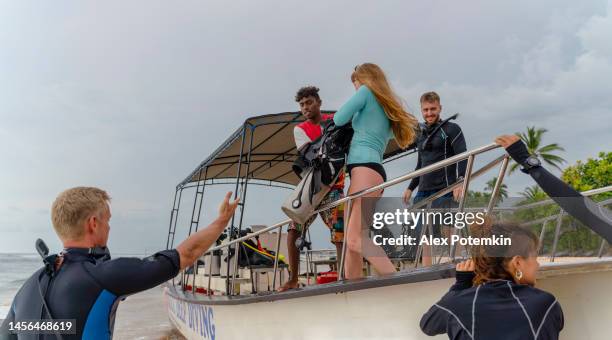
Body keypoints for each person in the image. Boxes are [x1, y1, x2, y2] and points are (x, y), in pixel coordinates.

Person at [1, 187, 239, 340]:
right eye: (108, 220)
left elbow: (20, 332)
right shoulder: (103, 276)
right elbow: (186, 254)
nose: (109, 227)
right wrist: (221, 221)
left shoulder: (29, 288)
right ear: (93, 223)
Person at [333, 63, 418, 279]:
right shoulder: (385, 105)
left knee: (354, 240)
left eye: (356, 81)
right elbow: (386, 135)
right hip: (374, 171)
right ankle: (352, 294)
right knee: (354, 241)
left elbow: (338, 118)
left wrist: (357, 111)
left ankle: (398, 281)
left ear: (366, 79)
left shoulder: (366, 92)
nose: (355, 87)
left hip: (363, 170)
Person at [420, 223, 564, 339]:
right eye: (535, 256)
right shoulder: (546, 304)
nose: (538, 264)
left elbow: (428, 325)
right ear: (518, 263)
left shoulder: (457, 304)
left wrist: (461, 285)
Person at [278, 86, 346, 291]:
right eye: (302, 105)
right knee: (293, 229)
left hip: (335, 186)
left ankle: (344, 276)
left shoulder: (335, 120)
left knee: (340, 231)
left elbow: (339, 149)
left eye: (309, 102)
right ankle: (293, 278)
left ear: (319, 102)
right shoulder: (299, 129)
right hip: (312, 188)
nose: (306, 107)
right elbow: (312, 155)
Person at [402, 92, 467, 265]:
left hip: (445, 188)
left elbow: (463, 156)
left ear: (440, 108)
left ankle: (458, 265)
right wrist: (410, 187)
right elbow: (420, 164)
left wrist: (460, 181)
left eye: (433, 109)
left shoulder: (452, 129)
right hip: (424, 190)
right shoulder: (421, 134)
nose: (429, 113)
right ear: (421, 110)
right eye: (425, 110)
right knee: (424, 234)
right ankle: (426, 271)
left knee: (450, 230)